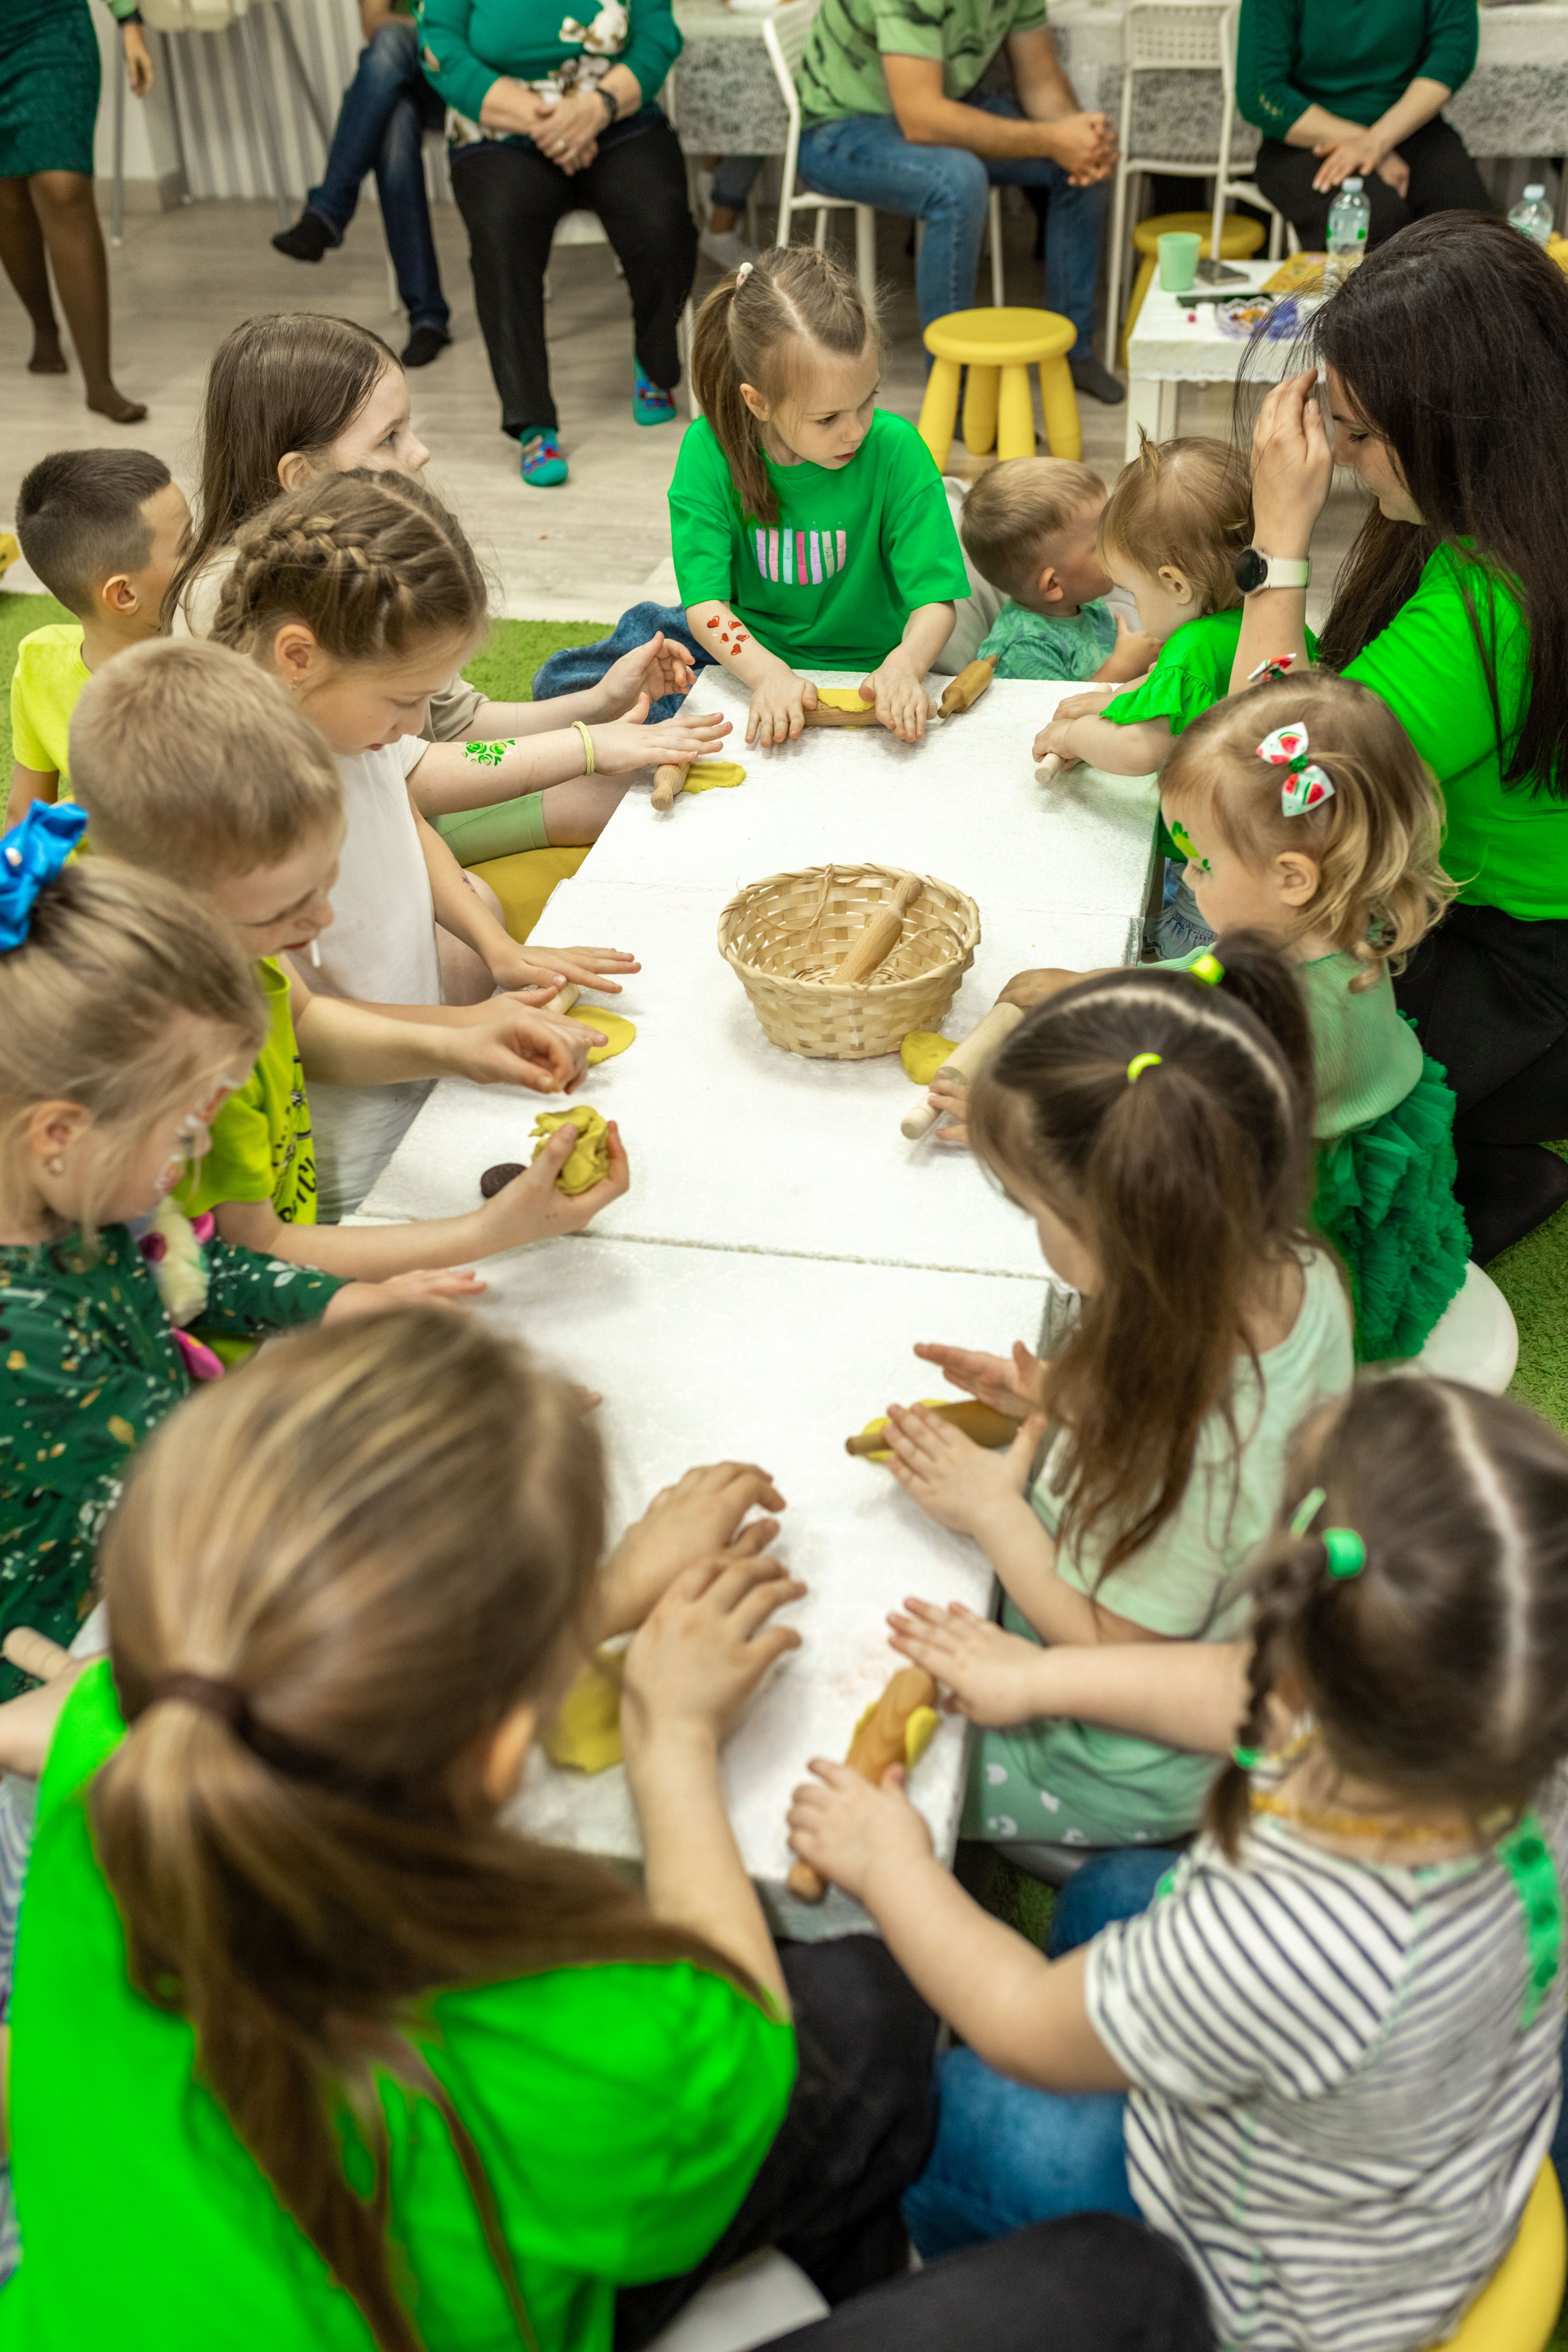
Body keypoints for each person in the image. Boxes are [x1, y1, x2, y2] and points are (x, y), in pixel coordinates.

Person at [0, 1306, 938, 2348]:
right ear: (501, 1750)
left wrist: (598, 1595)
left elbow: (308, 1682)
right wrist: (668, 1737)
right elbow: (737, 2049)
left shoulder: (129, 1730)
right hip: (528, 2200)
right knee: (871, 2015)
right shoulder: (568, 2043)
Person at [839, 1374, 1568, 2352]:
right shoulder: (1509, 1725)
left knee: (946, 2112)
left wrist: (893, 1864)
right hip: (1424, 2181)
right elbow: (1255, 1693)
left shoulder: (1285, 1933)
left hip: (1276, 2294)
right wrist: (1038, 1675)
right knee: (1108, 1896)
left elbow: (1016, 2024)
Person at [877, 938, 1352, 1853]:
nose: (1034, 1234)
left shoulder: (1185, 1435)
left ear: (1123, 1240)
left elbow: (1120, 1648)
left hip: (1119, 1760)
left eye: (1035, 1212)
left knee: (873, 1771)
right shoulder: (1296, 1266)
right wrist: (1062, 1397)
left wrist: (993, 1512)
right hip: (1229, 1632)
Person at [0, 825, 475, 1683]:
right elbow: (191, 1488)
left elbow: (190, 1271)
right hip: (73, 1660)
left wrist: (333, 1303)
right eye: (181, 1131)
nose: (190, 1163)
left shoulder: (79, 1197)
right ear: (60, 1135)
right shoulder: (23, 1334)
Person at [72, 638, 633, 1276]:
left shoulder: (202, 927)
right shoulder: (172, 1047)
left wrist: (468, 1038)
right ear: (172, 898)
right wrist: (486, 1233)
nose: (321, 920)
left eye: (326, 882)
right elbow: (256, 1255)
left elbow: (302, 1022)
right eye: (282, 911)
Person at [1230, 215, 1568, 1262]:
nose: (1340, 454)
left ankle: (1475, 1174)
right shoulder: (1521, 522)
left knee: (1252, 1125)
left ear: (1461, 425)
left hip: (1522, 973)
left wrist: (1277, 542)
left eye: (1360, 433)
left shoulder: (1490, 609)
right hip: (1501, 929)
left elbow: (1257, 787)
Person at [206, 471, 651, 1213]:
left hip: (418, 1076)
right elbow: (301, 1025)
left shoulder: (352, 728)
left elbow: (404, 821)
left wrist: (494, 948)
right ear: (298, 656)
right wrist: (460, 1031)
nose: (416, 725)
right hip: (341, 1145)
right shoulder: (240, 802)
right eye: (404, 699)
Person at [166, 311, 701, 862]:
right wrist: (587, 746)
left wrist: (599, 702)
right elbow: (396, 776)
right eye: (390, 438)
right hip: (320, 853)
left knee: (626, 789)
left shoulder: (370, 559)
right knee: (468, 945)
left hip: (404, 817)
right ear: (301, 479)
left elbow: (456, 723)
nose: (419, 452)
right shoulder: (232, 600)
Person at [1158, 675, 1471, 1361]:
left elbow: (1193, 1124)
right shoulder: (1329, 935)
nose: (1186, 880)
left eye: (1201, 863)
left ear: (1291, 877)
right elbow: (1211, 973)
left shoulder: (1295, 1012)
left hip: (1311, 1213)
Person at [669, 248, 971, 749]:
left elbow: (936, 603)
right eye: (828, 419)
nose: (855, 432)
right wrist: (768, 676)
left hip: (874, 668)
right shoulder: (707, 450)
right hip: (753, 666)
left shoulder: (897, 449)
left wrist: (904, 665)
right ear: (757, 401)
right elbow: (706, 607)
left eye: (868, 399)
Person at [1035, 435, 1316, 958]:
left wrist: (1072, 734)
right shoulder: (1268, 621)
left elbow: (1144, 749)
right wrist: (1112, 700)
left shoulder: (1189, 645)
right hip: (1280, 856)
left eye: (1136, 593)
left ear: (1176, 584)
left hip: (1218, 881)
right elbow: (1186, 697)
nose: (1138, 607)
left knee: (1184, 959)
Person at [416, 0, 696, 485]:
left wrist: (595, 109)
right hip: (498, 128)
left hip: (616, 115)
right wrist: (548, 120)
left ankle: (653, 359)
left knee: (662, 218)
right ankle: (533, 423)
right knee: (500, 232)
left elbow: (657, 36)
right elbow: (438, 49)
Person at [792, 0, 1122, 405]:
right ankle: (956, 390)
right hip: (837, 128)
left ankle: (1075, 350)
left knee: (1078, 164)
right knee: (958, 181)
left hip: (930, 107)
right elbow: (923, 117)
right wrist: (1054, 140)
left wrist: (1080, 141)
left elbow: (1042, 83)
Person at [6, 447, 189, 815]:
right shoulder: (211, 670)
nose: (206, 552)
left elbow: (25, 814)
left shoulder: (38, 659)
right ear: (123, 594)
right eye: (187, 545)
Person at [271, 0, 453, 371]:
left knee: (391, 44)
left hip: (467, 76)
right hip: (411, 76)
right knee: (394, 119)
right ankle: (427, 318)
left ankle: (328, 211)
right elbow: (373, 21)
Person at [1237, 0, 1489, 252]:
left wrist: (1376, 142)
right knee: (1375, 228)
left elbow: (1451, 56)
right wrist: (1368, 145)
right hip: (1308, 139)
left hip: (1410, 126)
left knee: (1477, 235)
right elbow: (1261, 92)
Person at [0, 0, 149, 421]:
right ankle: (44, 327)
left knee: (63, 188)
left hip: (51, 25)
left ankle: (99, 384)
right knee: (8, 198)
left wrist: (129, 21)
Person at [958, 458, 1158, 684]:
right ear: (1053, 585)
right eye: (1100, 543)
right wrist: (1124, 666)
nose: (1119, 544)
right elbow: (1056, 715)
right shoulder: (1025, 649)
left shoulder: (1084, 602)